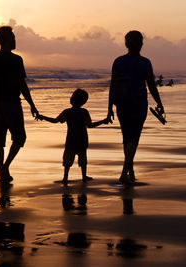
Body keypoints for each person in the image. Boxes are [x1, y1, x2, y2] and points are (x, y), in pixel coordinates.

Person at [107, 30, 164, 185]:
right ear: (141, 44)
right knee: (134, 137)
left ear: (126, 44)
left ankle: (130, 170)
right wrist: (159, 102)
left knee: (126, 137)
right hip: (138, 102)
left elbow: (112, 86)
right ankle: (124, 172)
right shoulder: (145, 62)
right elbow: (152, 86)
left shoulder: (118, 61)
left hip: (121, 103)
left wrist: (109, 108)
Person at [0, 26, 38, 183]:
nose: (15, 40)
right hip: (12, 103)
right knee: (19, 137)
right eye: (13, 37)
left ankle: (2, 171)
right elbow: (22, 84)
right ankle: (5, 168)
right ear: (8, 40)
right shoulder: (16, 59)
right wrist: (32, 105)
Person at [36, 89, 109, 184]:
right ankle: (84, 176)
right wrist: (103, 121)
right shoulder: (84, 112)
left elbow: (55, 121)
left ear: (72, 99)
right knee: (83, 159)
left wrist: (42, 117)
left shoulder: (67, 112)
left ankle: (65, 177)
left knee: (67, 160)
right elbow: (90, 125)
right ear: (84, 102)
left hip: (71, 139)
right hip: (82, 139)